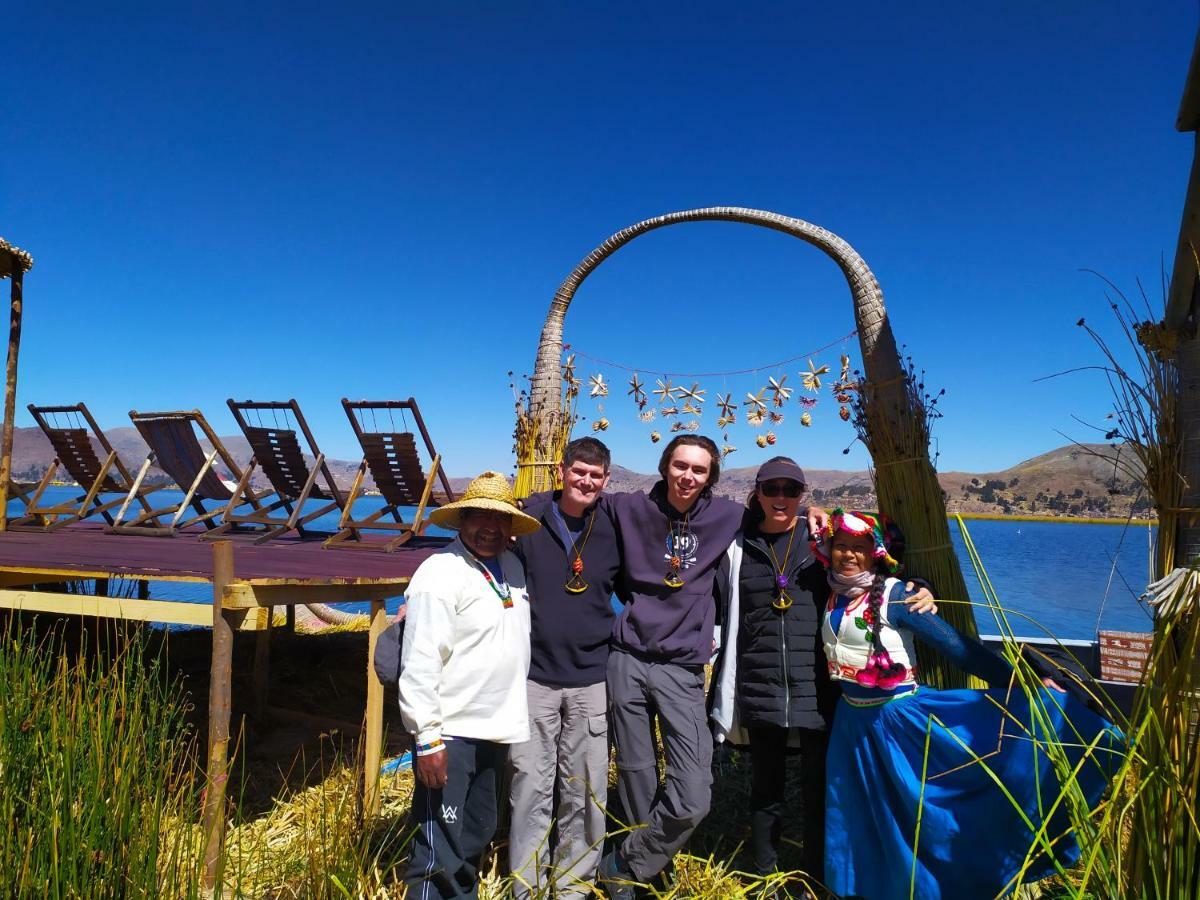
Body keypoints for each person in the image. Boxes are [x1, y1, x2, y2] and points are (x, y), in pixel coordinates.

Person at [813, 508, 1121, 900]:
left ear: (875, 553)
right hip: (851, 723)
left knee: (915, 814)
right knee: (856, 809)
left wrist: (1020, 684)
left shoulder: (896, 597)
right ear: (829, 549)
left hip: (898, 723)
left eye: (859, 547)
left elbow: (959, 649)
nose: (849, 555)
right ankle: (861, 888)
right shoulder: (830, 591)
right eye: (841, 546)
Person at [597, 436, 826, 899]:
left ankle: (624, 860)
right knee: (637, 772)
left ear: (711, 478)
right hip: (626, 657)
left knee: (693, 791)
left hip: (682, 665)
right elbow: (569, 505)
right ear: (665, 467)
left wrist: (814, 514)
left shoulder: (730, 517)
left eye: (699, 470)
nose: (688, 476)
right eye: (680, 465)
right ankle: (646, 876)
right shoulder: (625, 506)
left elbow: (786, 520)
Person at [709, 457, 936, 882]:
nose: (781, 497)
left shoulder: (820, 542)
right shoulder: (735, 547)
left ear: (803, 495)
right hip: (760, 685)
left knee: (820, 790)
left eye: (790, 490)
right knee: (765, 790)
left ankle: (816, 878)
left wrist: (922, 587)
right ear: (756, 492)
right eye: (771, 488)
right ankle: (763, 876)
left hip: (819, 688)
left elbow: (874, 564)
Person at [398, 471, 542, 899]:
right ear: (461, 521)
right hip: (451, 735)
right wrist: (427, 740)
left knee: (472, 839)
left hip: (495, 732)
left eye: (500, 520)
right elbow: (421, 658)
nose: (490, 528)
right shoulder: (441, 573)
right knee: (437, 853)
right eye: (479, 517)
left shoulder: (512, 568)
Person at [508, 437, 621, 898]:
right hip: (535, 676)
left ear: (606, 480)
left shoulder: (614, 524)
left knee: (586, 789)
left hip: (592, 678)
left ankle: (573, 885)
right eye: (579, 472)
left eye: (596, 476)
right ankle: (526, 886)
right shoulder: (527, 520)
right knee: (531, 786)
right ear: (561, 469)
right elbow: (476, 550)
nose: (586, 481)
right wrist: (416, 595)